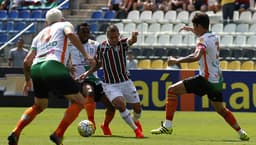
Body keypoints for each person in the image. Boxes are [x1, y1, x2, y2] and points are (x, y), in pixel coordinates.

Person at [150, 12, 250, 141]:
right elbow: (203, 37)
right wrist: (191, 29)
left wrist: (176, 60)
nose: (194, 28)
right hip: (216, 80)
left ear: (199, 26)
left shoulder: (202, 41)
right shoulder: (214, 36)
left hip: (205, 79)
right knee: (221, 110)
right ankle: (241, 132)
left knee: (172, 91)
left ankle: (167, 126)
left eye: (194, 26)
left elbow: (195, 56)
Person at [7, 8, 95, 145]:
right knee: (79, 101)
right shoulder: (64, 25)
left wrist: (27, 80)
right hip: (53, 65)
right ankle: (58, 134)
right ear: (62, 19)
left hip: (36, 68)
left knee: (39, 105)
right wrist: (86, 55)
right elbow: (71, 35)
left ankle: (16, 131)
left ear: (46, 22)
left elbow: (26, 62)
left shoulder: (39, 35)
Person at [81, 24, 144, 138]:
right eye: (111, 38)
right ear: (107, 36)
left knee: (137, 109)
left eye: (116, 37)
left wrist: (134, 36)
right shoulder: (102, 47)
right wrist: (87, 73)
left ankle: (135, 121)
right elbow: (98, 64)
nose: (114, 40)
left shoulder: (122, 44)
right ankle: (136, 131)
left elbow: (131, 41)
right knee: (120, 105)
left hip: (125, 81)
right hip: (110, 84)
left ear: (119, 35)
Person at [68, 22, 116, 136]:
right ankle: (92, 122)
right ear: (77, 33)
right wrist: (68, 67)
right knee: (90, 92)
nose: (86, 34)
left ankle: (105, 125)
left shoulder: (95, 45)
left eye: (87, 32)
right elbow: (62, 61)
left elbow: (101, 61)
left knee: (111, 107)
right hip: (80, 80)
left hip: (94, 78)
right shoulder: (70, 46)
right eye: (83, 32)